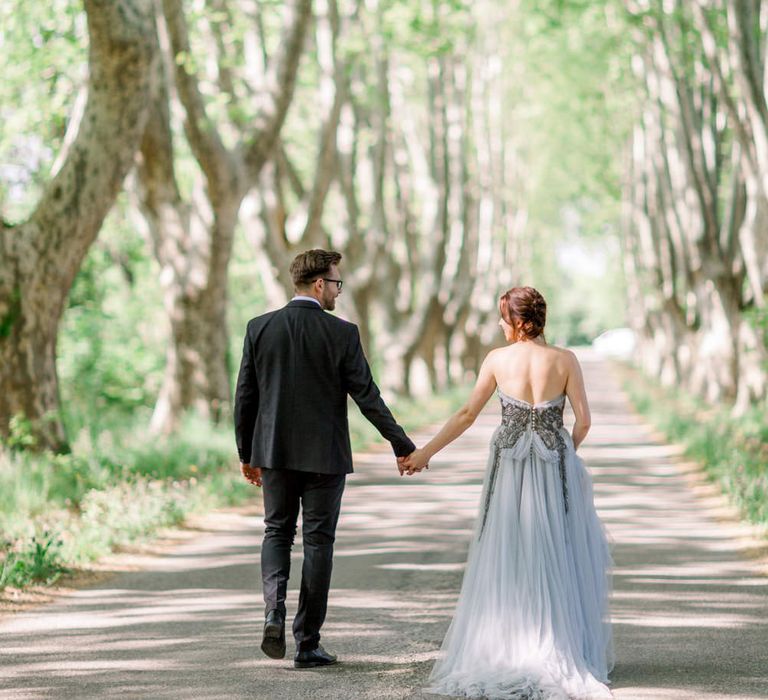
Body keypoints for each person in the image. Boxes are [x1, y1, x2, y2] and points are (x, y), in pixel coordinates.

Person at [404, 286, 613, 699]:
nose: (500, 325)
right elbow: (584, 422)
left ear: (517, 322)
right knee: (557, 549)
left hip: (508, 472)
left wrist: (424, 452)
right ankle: (561, 643)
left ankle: (505, 645)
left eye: (503, 318)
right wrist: (564, 451)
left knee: (508, 549)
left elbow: (467, 414)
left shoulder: (498, 360)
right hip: (555, 471)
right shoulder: (566, 360)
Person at [234, 249, 417, 669]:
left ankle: (272, 613)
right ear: (320, 284)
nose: (338, 290)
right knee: (318, 543)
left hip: (274, 453)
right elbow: (367, 397)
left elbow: (245, 397)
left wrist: (248, 454)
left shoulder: (259, 328)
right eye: (336, 283)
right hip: (325, 458)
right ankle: (307, 643)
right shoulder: (342, 333)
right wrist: (401, 445)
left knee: (276, 533)